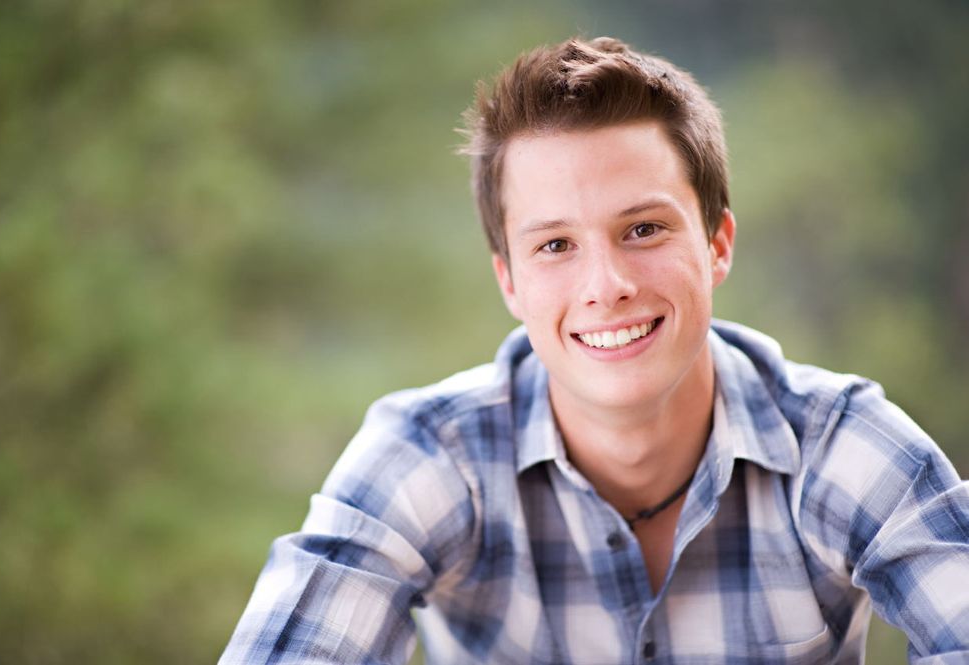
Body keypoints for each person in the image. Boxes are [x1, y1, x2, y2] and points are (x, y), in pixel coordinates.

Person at [219, 36, 969, 664]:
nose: (605, 285)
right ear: (509, 281)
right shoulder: (429, 454)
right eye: (555, 245)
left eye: (643, 228)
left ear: (717, 244)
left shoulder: (841, 445)